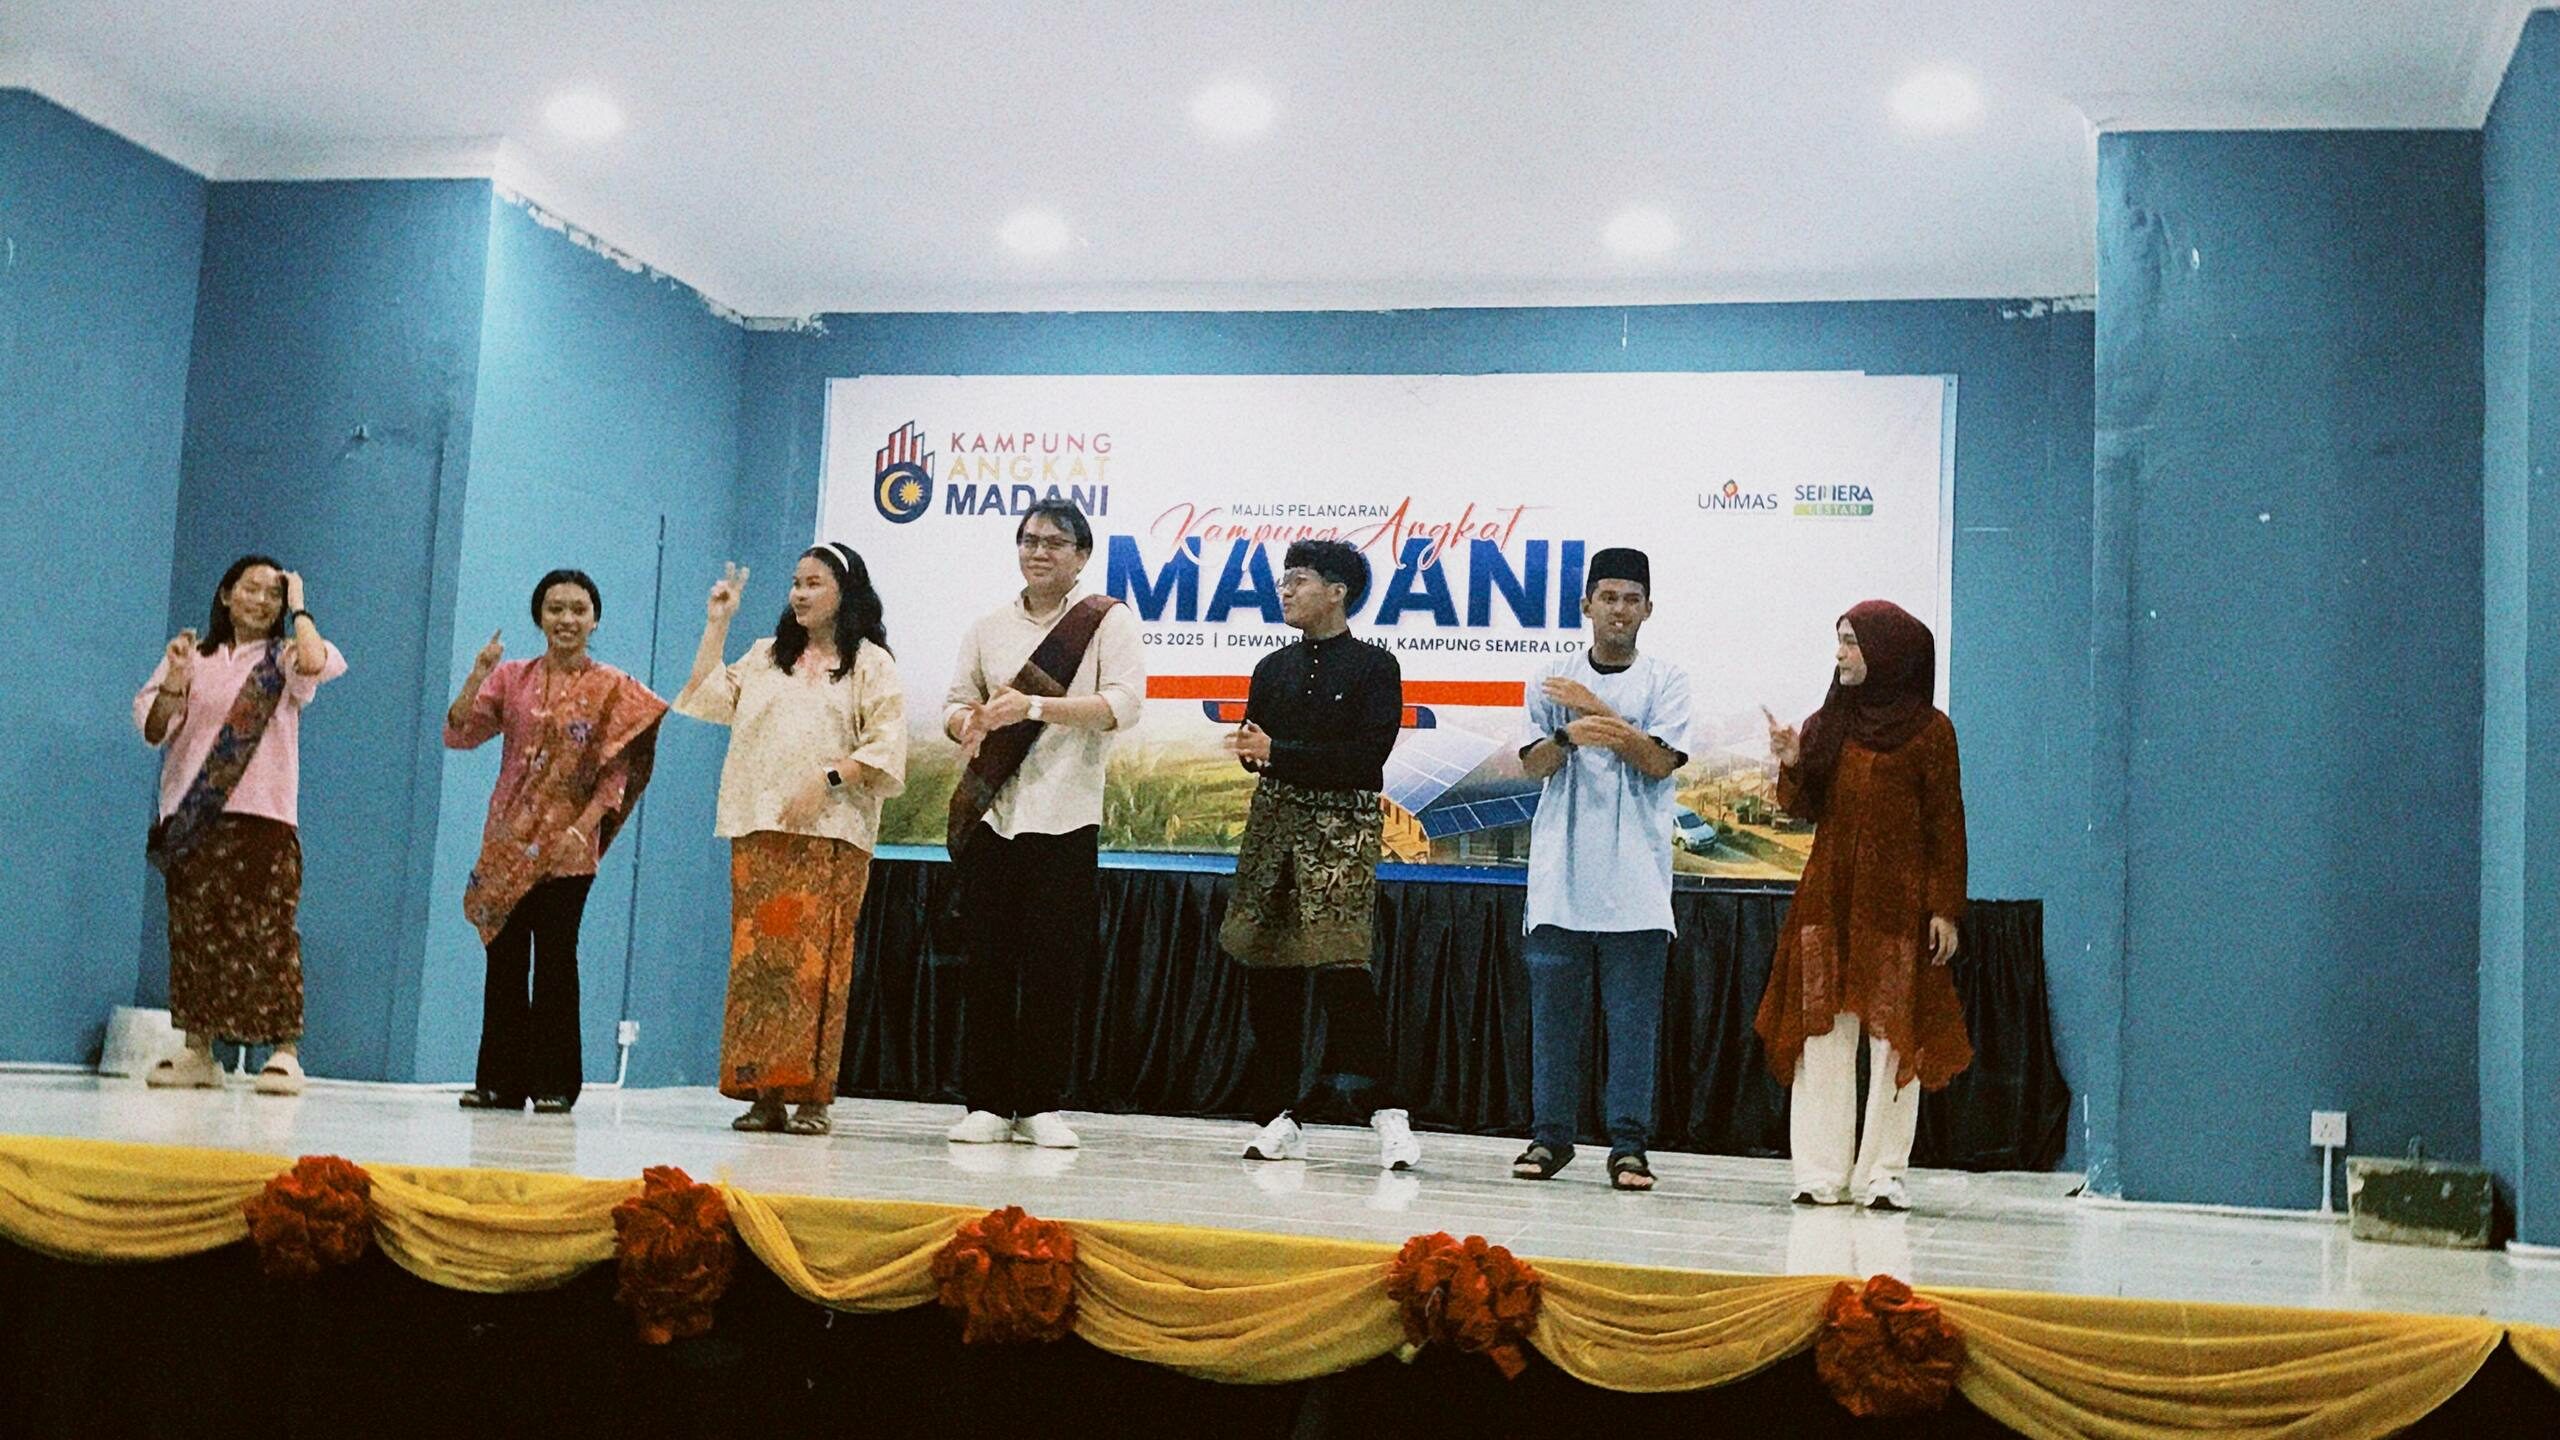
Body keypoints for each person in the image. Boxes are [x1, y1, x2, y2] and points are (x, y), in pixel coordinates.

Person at [676, 544, 906, 1136]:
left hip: (831, 835)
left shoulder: (870, 664)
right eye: (796, 583)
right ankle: (764, 1094)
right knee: (760, 967)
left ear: (845, 593)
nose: (800, 593)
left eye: (814, 583)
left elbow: (885, 747)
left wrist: (827, 779)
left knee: (816, 968)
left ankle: (812, 1098)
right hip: (761, 828)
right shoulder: (764, 656)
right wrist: (718, 622)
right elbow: (704, 696)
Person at [1754, 600, 1970, 1212]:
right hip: (1828, 900)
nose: (1841, 654)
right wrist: (1793, 762)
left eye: (1851, 642)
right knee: (1822, 1034)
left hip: (1898, 907)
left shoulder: (1932, 733)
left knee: (1892, 1037)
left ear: (1888, 652)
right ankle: (1820, 1173)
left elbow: (1946, 823)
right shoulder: (1828, 722)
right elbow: (1806, 806)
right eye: (1840, 641)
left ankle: (1883, 1173)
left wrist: (1945, 909)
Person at [942, 499, 1144, 1150]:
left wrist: (1033, 707)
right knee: (988, 964)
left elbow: (1123, 706)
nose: (1039, 552)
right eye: (1029, 540)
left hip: (1066, 815)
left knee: (1054, 968)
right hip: (993, 816)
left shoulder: (1107, 622)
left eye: (1055, 542)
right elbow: (956, 701)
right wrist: (966, 723)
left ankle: (1039, 1104)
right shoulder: (988, 627)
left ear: (1081, 555)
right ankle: (986, 1103)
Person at [1223, 539, 1419, 1172]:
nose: (1285, 590)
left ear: (1337, 592)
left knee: (1342, 972)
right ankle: (1277, 1116)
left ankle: (1388, 1115)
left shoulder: (1374, 667)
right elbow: (1259, 750)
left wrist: (1281, 753)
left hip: (1339, 834)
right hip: (1274, 828)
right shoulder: (1271, 668)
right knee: (1267, 971)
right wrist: (1262, 752)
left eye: (1299, 580)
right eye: (1284, 580)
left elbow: (1365, 760)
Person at [445, 569, 667, 1115]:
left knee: (555, 961)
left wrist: (580, 829)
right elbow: (459, 733)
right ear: (539, 617)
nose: (566, 619)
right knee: (503, 960)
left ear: (595, 619)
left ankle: (554, 1084)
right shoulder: (511, 677)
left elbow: (616, 774)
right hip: (507, 840)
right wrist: (476, 675)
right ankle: (498, 1083)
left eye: (578, 609)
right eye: (555, 609)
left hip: (569, 847)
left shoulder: (613, 687)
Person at [1509, 547, 1691, 1191]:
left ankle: (1629, 1147)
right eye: (1608, 597)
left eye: (1631, 599)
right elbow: (1531, 764)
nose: (1619, 610)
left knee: (1632, 1023)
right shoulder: (1549, 677)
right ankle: (1550, 1138)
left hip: (1637, 882)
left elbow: (1658, 762)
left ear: (1648, 610)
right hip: (1559, 877)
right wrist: (1566, 735)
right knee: (1554, 1020)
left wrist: (1593, 710)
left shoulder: (1666, 681)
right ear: (1586, 604)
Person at [133, 554, 345, 1095]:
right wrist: (174, 681)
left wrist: (301, 606)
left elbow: (315, 660)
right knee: (196, 935)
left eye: (273, 593)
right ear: (226, 595)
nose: (262, 601)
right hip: (192, 816)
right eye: (251, 589)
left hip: (264, 816)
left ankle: (284, 1052)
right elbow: (154, 731)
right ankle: (199, 1050)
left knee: (268, 934)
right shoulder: (192, 657)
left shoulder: (285, 657)